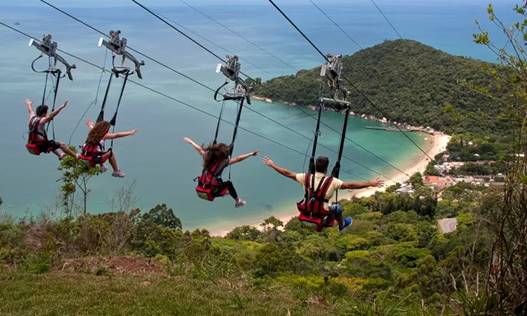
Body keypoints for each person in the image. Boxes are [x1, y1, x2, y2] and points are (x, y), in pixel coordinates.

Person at [262, 155, 384, 231]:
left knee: (329, 207)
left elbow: (287, 173)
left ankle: (326, 223)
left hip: (306, 208)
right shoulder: (332, 181)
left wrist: (273, 165)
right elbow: (351, 185)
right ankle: (342, 225)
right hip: (322, 211)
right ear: (326, 169)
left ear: (315, 167)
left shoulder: (306, 177)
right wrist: (370, 183)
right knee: (338, 208)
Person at [184, 137, 258, 208]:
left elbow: (199, 149)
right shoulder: (222, 163)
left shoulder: (207, 157)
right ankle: (238, 201)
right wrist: (250, 154)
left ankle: (226, 192)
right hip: (212, 191)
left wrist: (190, 142)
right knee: (229, 184)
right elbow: (238, 159)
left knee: (219, 181)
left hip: (202, 186)